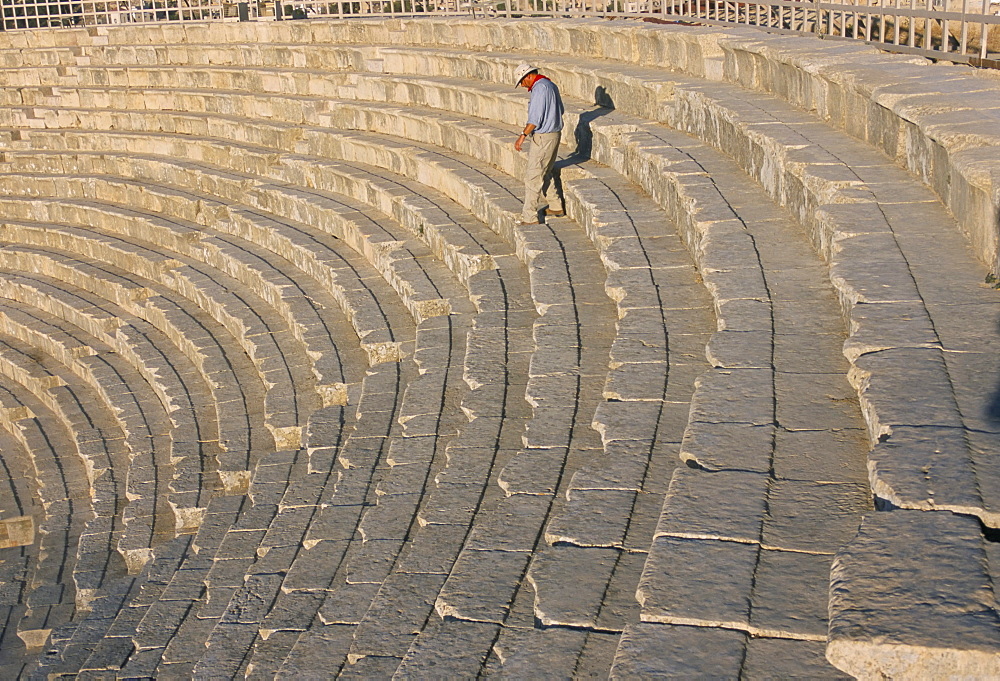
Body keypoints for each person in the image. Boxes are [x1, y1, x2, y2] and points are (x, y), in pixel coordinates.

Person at [513, 63, 565, 225]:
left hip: (543, 137)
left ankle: (529, 217)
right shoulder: (550, 85)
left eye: (522, 81)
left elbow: (535, 118)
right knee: (546, 170)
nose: (522, 85)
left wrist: (523, 135)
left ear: (528, 76)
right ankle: (556, 206)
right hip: (555, 134)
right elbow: (561, 109)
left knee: (533, 176)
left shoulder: (539, 89)